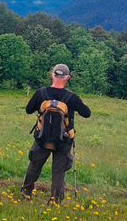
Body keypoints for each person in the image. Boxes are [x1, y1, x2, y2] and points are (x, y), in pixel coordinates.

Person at [21, 63, 91, 203]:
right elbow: (86, 113)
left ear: (52, 75)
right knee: (58, 172)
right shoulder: (71, 97)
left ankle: (26, 192)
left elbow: (28, 110)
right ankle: (55, 200)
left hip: (42, 137)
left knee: (35, 165)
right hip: (63, 140)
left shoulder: (41, 93)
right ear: (67, 78)